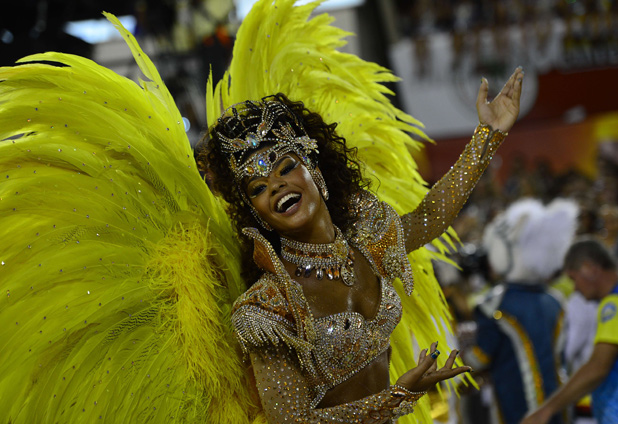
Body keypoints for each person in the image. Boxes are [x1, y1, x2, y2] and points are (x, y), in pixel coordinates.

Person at [0, 0, 522, 422]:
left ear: (314, 165)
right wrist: (398, 398)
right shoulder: (269, 308)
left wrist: (488, 134)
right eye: (256, 187)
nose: (275, 187)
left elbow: (432, 215)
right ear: (254, 211)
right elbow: (290, 422)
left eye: (282, 167)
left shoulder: (368, 235)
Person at [464, 198, 578, 424]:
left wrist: (452, 368)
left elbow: (481, 356)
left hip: (517, 403)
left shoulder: (494, 303)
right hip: (558, 403)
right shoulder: (554, 300)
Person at [522, 238, 618, 424]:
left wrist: (546, 410)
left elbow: (598, 367)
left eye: (574, 278)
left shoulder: (613, 305)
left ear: (590, 268)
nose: (575, 288)